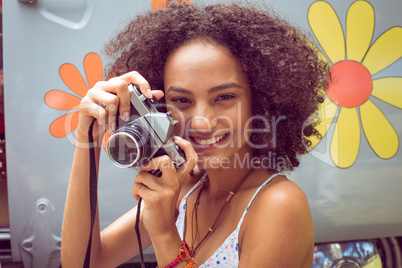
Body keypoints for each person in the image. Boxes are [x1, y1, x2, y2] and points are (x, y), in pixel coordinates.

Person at [61, 2, 329, 267]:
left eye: (224, 97)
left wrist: (165, 233)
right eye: (182, 100)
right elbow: (85, 262)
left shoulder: (279, 205)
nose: (202, 122)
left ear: (260, 101)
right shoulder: (187, 188)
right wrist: (89, 135)